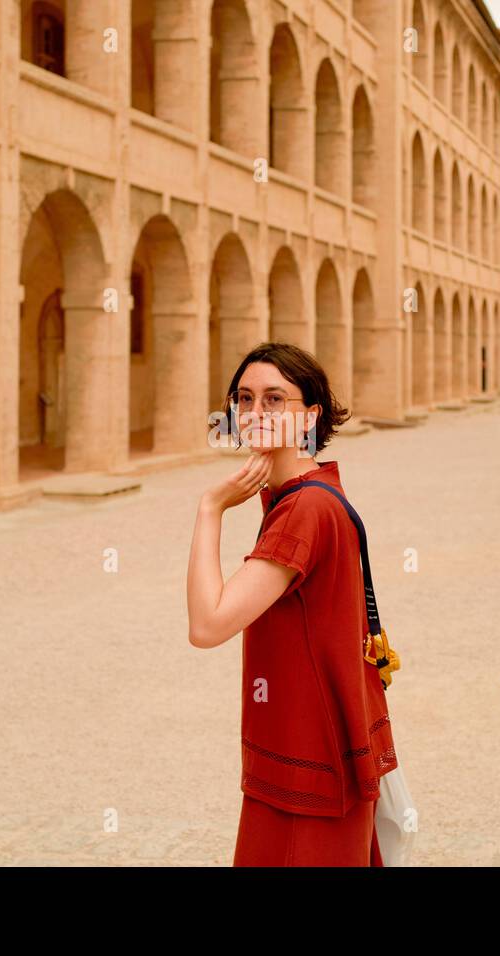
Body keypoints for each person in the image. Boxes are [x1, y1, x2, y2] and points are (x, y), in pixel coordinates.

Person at [186, 342, 398, 866]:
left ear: (310, 414)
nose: (256, 413)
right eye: (244, 398)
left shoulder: (303, 507)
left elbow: (207, 625)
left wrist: (209, 509)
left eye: (275, 399)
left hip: (307, 762)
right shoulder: (311, 492)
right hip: (316, 750)